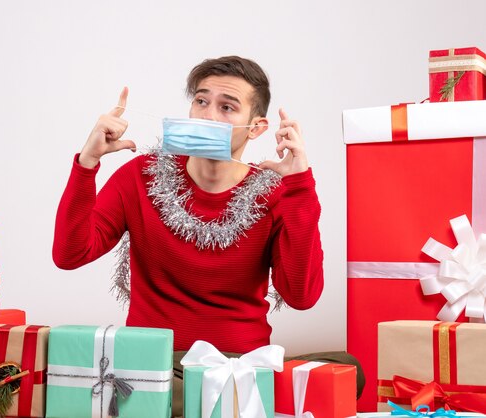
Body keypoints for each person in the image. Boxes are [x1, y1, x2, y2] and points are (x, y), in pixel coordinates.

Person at [53, 56, 363, 417]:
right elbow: (70, 254)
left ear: (256, 128)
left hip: (241, 365)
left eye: (227, 107)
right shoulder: (141, 176)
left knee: (345, 370)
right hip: (158, 366)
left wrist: (299, 186)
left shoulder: (274, 194)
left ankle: (211, 399)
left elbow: (302, 295)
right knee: (168, 390)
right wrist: (87, 164)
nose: (208, 116)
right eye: (201, 101)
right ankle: (211, 401)